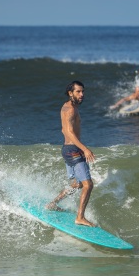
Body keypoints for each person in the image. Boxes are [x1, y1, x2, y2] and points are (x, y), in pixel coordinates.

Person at [46, 80, 96, 227]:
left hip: (68, 149)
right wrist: (84, 149)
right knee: (88, 185)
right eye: (78, 92)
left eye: (83, 91)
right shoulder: (70, 110)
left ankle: (53, 203)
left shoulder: (67, 107)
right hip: (73, 150)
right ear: (70, 93)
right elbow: (68, 131)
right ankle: (80, 217)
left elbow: (63, 130)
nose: (82, 94)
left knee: (78, 184)